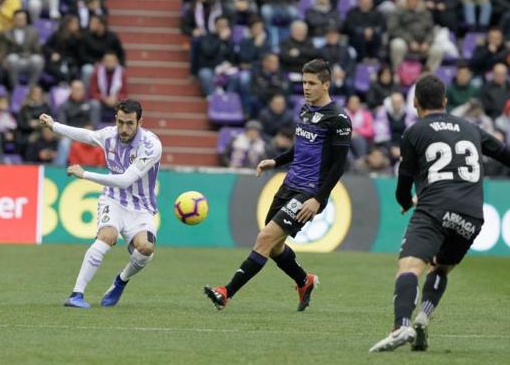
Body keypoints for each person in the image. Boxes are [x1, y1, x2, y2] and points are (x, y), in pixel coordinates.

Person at [369, 75, 510, 352]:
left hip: (434, 207)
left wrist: (406, 202)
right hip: (471, 215)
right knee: (441, 268)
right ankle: (423, 317)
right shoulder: (471, 127)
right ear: (445, 102)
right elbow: (505, 154)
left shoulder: (414, 131)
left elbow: (403, 186)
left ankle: (401, 326)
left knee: (409, 267)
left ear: (415, 102)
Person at [204, 59, 352, 311]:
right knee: (274, 248)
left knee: (264, 238)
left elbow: (338, 166)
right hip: (289, 184)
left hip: (309, 192)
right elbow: (302, 148)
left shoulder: (338, 120)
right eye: (304, 82)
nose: (306, 87)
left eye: (312, 83)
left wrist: (317, 198)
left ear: (326, 84)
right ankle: (304, 281)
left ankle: (226, 292)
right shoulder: (306, 110)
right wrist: (276, 161)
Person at [39, 99, 163, 309]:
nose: (124, 129)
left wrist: (85, 174)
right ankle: (76, 294)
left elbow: (125, 179)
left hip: (141, 207)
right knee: (107, 236)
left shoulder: (151, 146)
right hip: (113, 199)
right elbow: (86, 135)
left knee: (146, 248)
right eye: (121, 122)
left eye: (130, 124)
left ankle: (121, 281)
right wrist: (54, 125)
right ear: (116, 119)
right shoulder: (109, 135)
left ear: (140, 122)